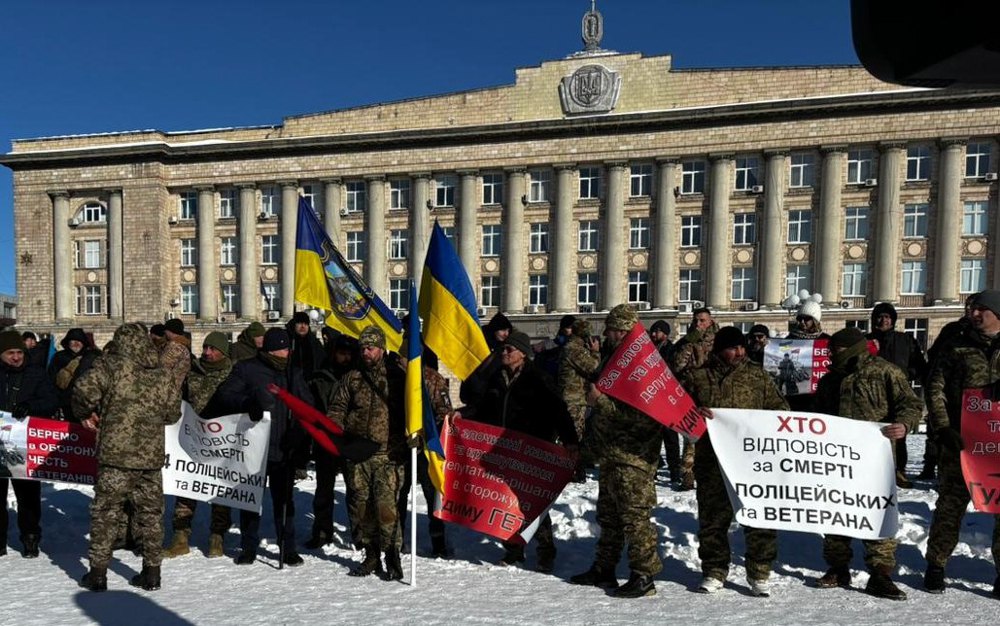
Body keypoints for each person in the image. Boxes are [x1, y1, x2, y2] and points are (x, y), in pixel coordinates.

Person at [812, 327, 923, 600]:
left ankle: (880, 573)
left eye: (834, 351)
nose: (830, 355)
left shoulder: (886, 372)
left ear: (851, 349)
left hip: (876, 460)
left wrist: (904, 424)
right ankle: (838, 567)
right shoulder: (829, 381)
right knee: (835, 511)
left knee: (877, 511)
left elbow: (910, 404)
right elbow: (817, 417)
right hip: (836, 460)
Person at [74, 323, 184, 591]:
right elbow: (173, 414)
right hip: (150, 457)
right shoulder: (162, 373)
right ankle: (152, 573)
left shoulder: (109, 365)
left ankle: (98, 574)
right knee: (150, 514)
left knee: (105, 513)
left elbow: (81, 391)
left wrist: (84, 413)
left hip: (115, 456)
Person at [459, 330, 578, 572]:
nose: (504, 352)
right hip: (502, 451)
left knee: (531, 504)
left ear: (522, 354)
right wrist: (463, 414)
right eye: (503, 349)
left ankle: (546, 551)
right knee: (504, 502)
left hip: (530, 451)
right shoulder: (496, 378)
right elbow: (482, 407)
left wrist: (571, 441)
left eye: (509, 349)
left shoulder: (538, 379)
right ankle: (513, 551)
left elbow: (559, 411)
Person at [684, 327, 788, 597]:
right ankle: (714, 571)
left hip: (752, 464)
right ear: (720, 349)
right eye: (733, 348)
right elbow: (679, 413)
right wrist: (695, 414)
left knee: (759, 518)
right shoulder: (699, 378)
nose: (740, 352)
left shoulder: (757, 376)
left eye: (741, 347)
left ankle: (759, 572)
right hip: (712, 463)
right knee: (712, 521)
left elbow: (781, 412)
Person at [571, 305, 663, 598]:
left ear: (622, 331)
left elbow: (641, 415)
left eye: (611, 329)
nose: (607, 333)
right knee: (608, 517)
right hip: (612, 453)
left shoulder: (644, 365)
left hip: (634, 455)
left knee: (635, 518)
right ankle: (604, 569)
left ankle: (644, 576)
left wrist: (600, 402)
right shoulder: (614, 360)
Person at [923, 289, 1000, 597]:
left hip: (997, 445)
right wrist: (943, 428)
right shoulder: (955, 346)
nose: (975, 313)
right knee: (950, 505)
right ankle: (936, 566)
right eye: (973, 308)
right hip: (961, 443)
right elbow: (935, 387)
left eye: (983, 309)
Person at [215, 328, 312, 568]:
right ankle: (248, 547)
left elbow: (307, 407)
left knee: (284, 501)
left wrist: (297, 436)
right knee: (250, 500)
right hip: (253, 448)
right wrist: (247, 404)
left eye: (288, 348)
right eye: (283, 348)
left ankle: (287, 548)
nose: (287, 352)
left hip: (283, 448)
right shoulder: (247, 369)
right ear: (270, 350)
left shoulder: (293, 372)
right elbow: (225, 394)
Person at [327, 326, 407, 580]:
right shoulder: (352, 378)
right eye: (362, 348)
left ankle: (392, 555)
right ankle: (370, 554)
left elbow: (415, 407)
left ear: (382, 348)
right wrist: (336, 426)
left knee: (386, 508)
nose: (365, 352)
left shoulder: (398, 376)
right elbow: (337, 406)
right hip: (358, 453)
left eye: (370, 348)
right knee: (361, 508)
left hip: (388, 454)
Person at [163, 331, 234, 559]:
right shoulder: (193, 371)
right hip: (192, 437)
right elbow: (180, 398)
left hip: (221, 441)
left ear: (222, 352)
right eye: (205, 348)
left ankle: (217, 537)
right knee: (186, 487)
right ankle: (180, 537)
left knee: (219, 489)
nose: (207, 353)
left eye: (212, 349)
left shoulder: (232, 374)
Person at [0, 331, 59, 558]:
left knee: (28, 495)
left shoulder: (36, 374)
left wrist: (30, 407)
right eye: (10, 353)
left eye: (19, 352)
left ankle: (30, 538)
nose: (16, 357)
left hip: (26, 443)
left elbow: (51, 401)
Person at [395, 343, 453, 558]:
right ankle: (398, 540)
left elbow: (445, 411)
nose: (400, 361)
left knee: (432, 497)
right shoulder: (394, 378)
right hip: (401, 448)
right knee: (399, 495)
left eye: (404, 356)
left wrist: (427, 431)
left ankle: (438, 542)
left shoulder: (432, 378)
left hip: (427, 449)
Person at [303, 333, 358, 549]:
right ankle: (322, 532)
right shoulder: (320, 378)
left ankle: (358, 534)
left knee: (355, 491)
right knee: (323, 491)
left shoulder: (358, 378)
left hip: (350, 442)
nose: (344, 358)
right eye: (340, 353)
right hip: (325, 441)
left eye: (347, 354)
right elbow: (312, 407)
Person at [866, 302, 928, 489]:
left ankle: (899, 470)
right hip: (872, 395)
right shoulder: (866, 340)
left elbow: (919, 365)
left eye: (887, 317)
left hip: (898, 393)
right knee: (873, 432)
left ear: (893, 320)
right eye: (880, 316)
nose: (883, 320)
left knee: (898, 433)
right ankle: (871, 470)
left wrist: (906, 375)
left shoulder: (905, 340)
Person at [920, 293, 976, 480]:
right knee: (938, 433)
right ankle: (931, 466)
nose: (970, 310)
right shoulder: (952, 330)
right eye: (967, 306)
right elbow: (934, 353)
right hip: (951, 397)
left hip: (979, 405)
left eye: (974, 306)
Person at [670, 307, 719, 491]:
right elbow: (677, 365)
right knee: (691, 434)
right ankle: (687, 475)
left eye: (702, 320)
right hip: (691, 393)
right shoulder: (688, 341)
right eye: (695, 320)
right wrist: (688, 343)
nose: (698, 324)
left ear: (710, 321)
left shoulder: (719, 340)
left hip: (714, 393)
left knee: (714, 437)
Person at [558, 318, 601, 482]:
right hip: (573, 400)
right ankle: (575, 471)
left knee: (576, 437)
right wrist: (595, 352)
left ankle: (576, 470)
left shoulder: (573, 347)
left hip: (574, 398)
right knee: (574, 438)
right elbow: (593, 368)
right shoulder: (574, 349)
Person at [649, 320, 680, 483]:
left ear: (665, 334)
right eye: (653, 331)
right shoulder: (649, 350)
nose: (654, 334)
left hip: (667, 399)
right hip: (652, 399)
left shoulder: (671, 350)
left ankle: (675, 470)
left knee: (671, 439)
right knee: (652, 438)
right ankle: (652, 470)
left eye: (657, 331)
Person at [48, 327, 101, 421]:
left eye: (79, 341)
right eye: (73, 341)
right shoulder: (59, 357)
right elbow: (51, 379)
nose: (76, 343)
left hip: (86, 403)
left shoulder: (91, 357)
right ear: (68, 342)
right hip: (65, 402)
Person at [287, 311, 324, 379]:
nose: (303, 326)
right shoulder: (288, 340)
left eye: (306, 324)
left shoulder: (314, 342)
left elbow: (321, 362)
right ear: (294, 324)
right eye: (300, 323)